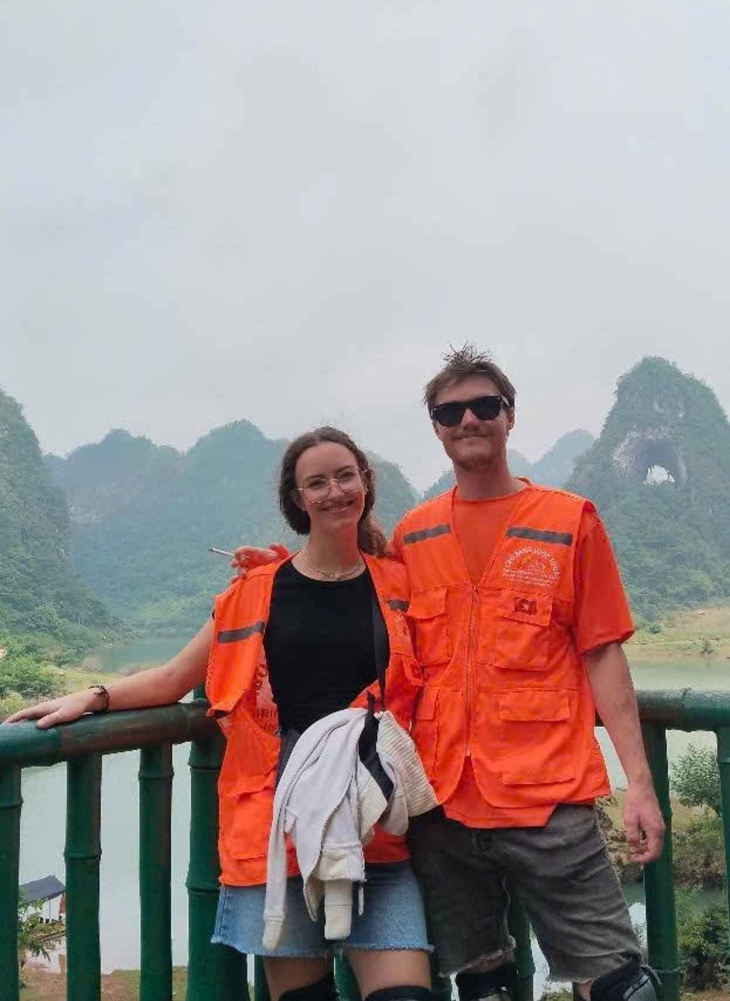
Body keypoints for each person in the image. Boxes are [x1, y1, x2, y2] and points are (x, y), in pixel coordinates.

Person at [239, 347, 664, 1001]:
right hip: (439, 806)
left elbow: (603, 652)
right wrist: (278, 569)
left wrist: (639, 783)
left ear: (509, 416)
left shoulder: (567, 521)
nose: (468, 419)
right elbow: (346, 573)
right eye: (450, 411)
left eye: (484, 405)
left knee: (617, 984)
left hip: (546, 796)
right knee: (482, 983)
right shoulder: (417, 533)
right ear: (436, 427)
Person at [6, 427, 433, 1001]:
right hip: (277, 826)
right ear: (298, 499)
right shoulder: (254, 593)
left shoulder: (400, 584)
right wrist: (94, 696)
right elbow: (174, 678)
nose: (334, 492)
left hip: (374, 825)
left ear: (365, 482)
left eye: (345, 476)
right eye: (317, 483)